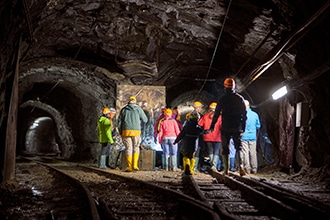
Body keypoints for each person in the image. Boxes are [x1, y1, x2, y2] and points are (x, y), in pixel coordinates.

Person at [209, 77, 247, 176]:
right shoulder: (239, 98)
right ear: (234, 87)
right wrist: (243, 126)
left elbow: (217, 113)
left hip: (225, 126)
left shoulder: (222, 99)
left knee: (225, 148)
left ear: (225, 87)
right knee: (239, 147)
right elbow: (244, 114)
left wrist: (212, 124)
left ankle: (226, 170)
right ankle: (241, 167)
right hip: (236, 126)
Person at [117, 95, 148, 172]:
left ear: (128, 101)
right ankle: (135, 165)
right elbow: (145, 120)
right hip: (136, 131)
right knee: (136, 147)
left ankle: (129, 166)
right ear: (135, 101)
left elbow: (119, 122)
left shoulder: (123, 110)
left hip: (126, 131)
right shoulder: (138, 109)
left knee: (128, 148)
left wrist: (121, 132)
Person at [198, 102, 222, 171]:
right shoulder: (220, 117)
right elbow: (222, 126)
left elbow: (199, 125)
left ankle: (212, 164)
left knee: (210, 151)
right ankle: (214, 166)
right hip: (217, 137)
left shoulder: (205, 116)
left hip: (207, 137)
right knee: (216, 151)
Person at [241, 100, 261, 174]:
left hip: (244, 136)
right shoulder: (255, 114)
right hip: (253, 136)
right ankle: (254, 169)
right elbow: (258, 126)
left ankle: (247, 169)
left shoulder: (242, 115)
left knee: (245, 153)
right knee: (253, 153)